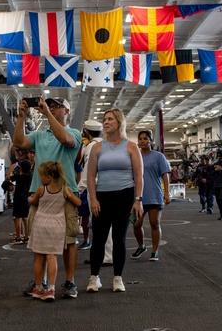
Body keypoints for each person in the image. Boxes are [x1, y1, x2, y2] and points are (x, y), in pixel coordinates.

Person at [12, 96, 82, 298]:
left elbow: (65, 140)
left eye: (56, 106)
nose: (50, 108)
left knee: (69, 240)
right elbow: (19, 142)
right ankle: (40, 283)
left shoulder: (74, 133)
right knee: (39, 239)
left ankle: (70, 282)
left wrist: (46, 113)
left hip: (66, 194)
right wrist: (21, 117)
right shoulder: (39, 135)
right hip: (40, 192)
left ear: (66, 111)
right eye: (49, 105)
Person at [85, 109, 143, 293]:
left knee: (119, 239)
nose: (106, 122)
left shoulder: (131, 147)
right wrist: (93, 198)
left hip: (125, 196)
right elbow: (91, 174)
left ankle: (118, 278)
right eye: (104, 119)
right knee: (99, 239)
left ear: (119, 122)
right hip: (102, 196)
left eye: (110, 119)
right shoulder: (97, 147)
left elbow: (138, 176)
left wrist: (137, 199)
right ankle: (94, 278)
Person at [28, 161, 82, 301]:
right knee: (52, 257)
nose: (40, 178)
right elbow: (78, 203)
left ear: (49, 177)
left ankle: (39, 288)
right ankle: (51, 289)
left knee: (39, 258)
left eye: (41, 176)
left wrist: (29, 198)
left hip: (41, 224)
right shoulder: (64, 190)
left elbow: (34, 202)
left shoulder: (41, 190)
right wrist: (70, 196)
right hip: (57, 225)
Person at [131, 130, 171, 261]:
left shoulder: (158, 156)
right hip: (139, 197)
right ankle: (141, 246)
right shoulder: (135, 156)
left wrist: (167, 193)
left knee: (155, 223)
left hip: (155, 195)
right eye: (140, 139)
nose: (142, 141)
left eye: (145, 138)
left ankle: (155, 251)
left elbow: (165, 175)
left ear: (151, 141)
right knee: (136, 225)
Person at [77, 120, 102, 250]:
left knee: (96, 221)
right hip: (104, 187)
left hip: (94, 188)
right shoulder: (104, 144)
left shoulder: (91, 146)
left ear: (87, 132)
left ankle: (100, 253)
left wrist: (79, 189)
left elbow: (88, 171)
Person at [8, 151, 33, 243]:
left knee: (18, 218)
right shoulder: (30, 177)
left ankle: (18, 237)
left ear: (21, 168)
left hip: (18, 199)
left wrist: (12, 167)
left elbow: (8, 177)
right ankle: (27, 236)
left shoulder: (18, 177)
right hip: (27, 199)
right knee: (25, 218)